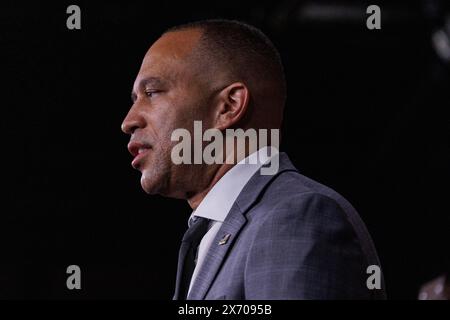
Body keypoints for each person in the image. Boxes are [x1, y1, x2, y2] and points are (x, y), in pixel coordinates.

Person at [121, 19, 385, 300]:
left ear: (228, 106)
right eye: (135, 98)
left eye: (151, 93)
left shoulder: (294, 216)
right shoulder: (210, 233)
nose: (128, 121)